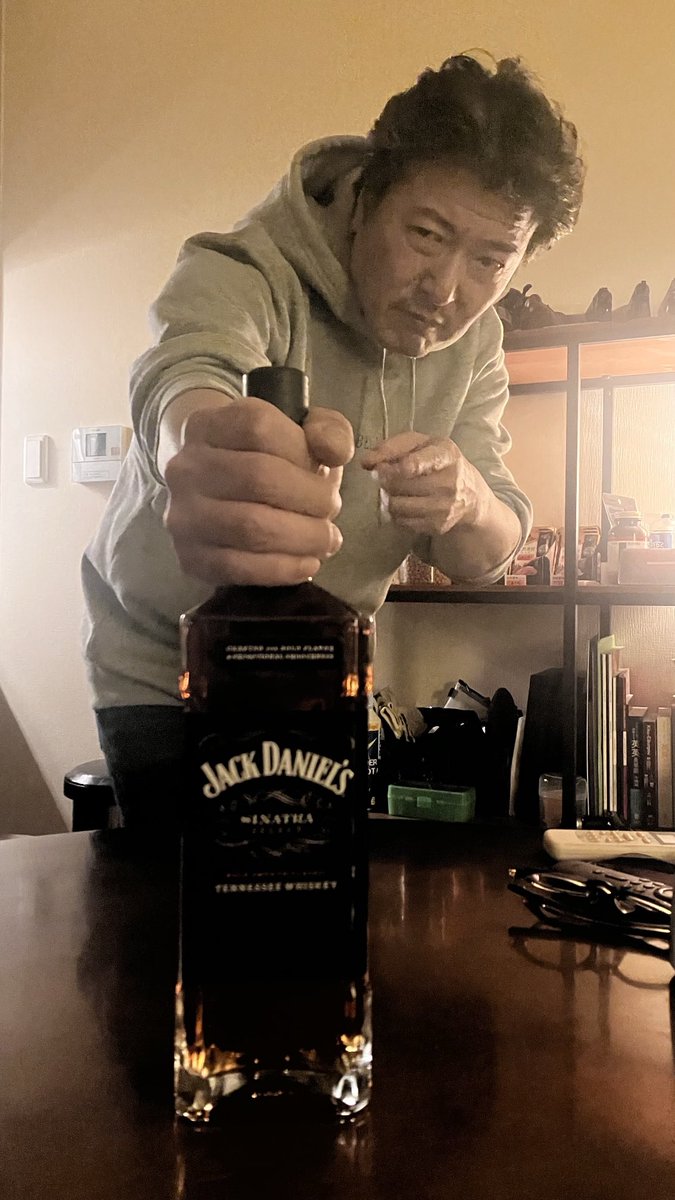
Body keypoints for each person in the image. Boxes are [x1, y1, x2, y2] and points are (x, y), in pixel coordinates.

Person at [81, 53, 584, 827]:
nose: (444, 290)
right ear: (362, 201)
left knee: (313, 886)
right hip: (166, 672)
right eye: (426, 234)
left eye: (489, 260)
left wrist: (466, 500)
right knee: (188, 893)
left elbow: (484, 551)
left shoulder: (478, 343)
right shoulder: (246, 266)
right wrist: (200, 445)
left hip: (323, 676)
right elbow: (188, 368)